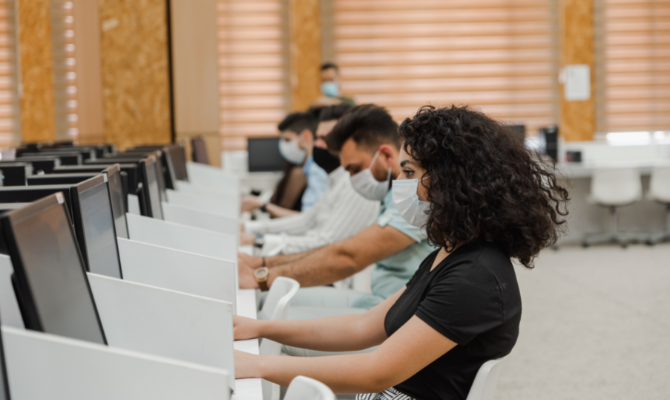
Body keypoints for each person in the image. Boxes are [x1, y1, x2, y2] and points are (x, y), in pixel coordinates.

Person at [233, 105, 570, 399]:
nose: (401, 182)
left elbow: (378, 371)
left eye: (410, 173)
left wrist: (258, 365)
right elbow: (363, 327)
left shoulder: (476, 277)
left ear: (450, 181)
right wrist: (260, 329)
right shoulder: (451, 252)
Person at [238, 104, 435, 313]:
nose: (320, 145)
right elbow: (324, 235)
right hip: (379, 300)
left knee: (266, 313)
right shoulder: (389, 194)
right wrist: (263, 265)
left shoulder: (414, 199)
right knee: (265, 304)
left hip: (396, 311)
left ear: (386, 155)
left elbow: (347, 256)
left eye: (355, 169)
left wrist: (262, 274)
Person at [240, 104, 380, 256]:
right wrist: (250, 229)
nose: (317, 144)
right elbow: (306, 221)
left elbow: (325, 243)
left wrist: (258, 240)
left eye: (326, 139)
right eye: (318, 137)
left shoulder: (356, 184)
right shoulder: (335, 178)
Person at [242, 111, 328, 216]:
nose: (283, 146)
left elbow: (310, 220)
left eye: (288, 139)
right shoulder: (308, 167)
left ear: (306, 136)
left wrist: (263, 206)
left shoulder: (316, 170)